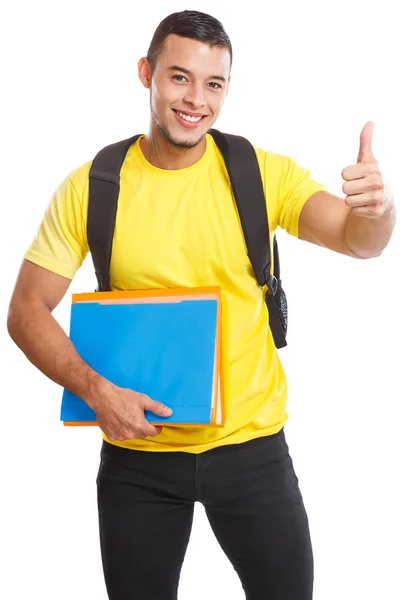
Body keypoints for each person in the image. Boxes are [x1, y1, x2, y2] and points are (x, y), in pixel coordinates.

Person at [7, 9, 396, 600]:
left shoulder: (258, 173)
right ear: (147, 73)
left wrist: (377, 213)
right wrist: (95, 392)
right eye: (179, 78)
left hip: (253, 449)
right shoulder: (94, 185)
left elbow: (354, 240)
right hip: (137, 450)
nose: (196, 100)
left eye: (214, 84)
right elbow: (27, 310)